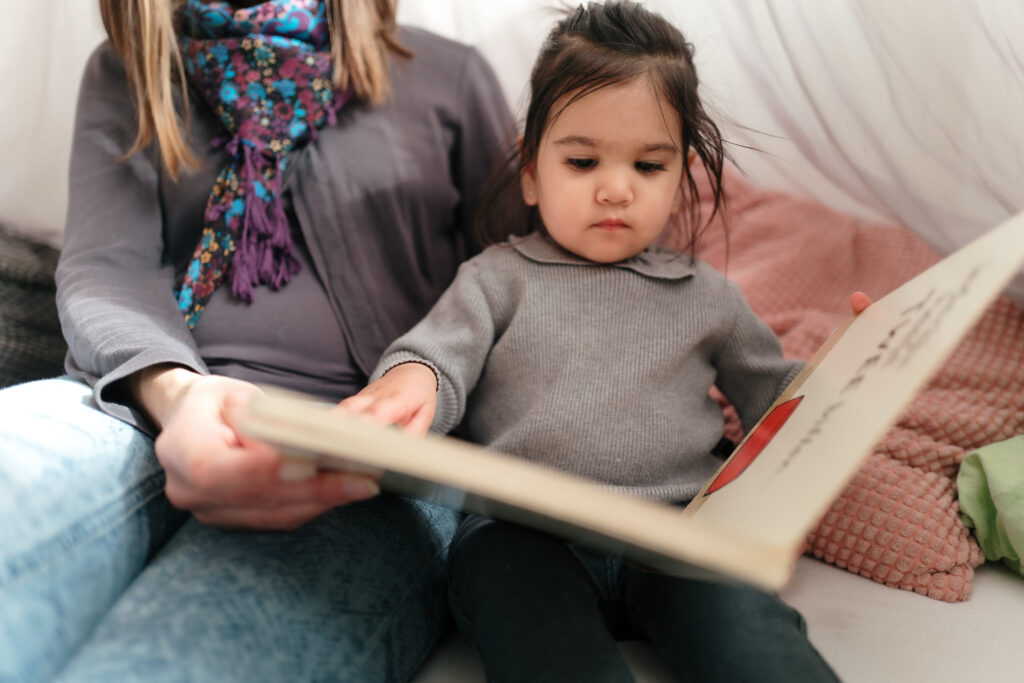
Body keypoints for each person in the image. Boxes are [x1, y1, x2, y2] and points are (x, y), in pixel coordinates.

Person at [341, 3, 857, 681]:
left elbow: (781, 404)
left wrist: (854, 366)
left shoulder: (709, 296)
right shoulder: (496, 279)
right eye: (583, 161)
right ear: (531, 170)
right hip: (522, 535)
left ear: (682, 179)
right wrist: (410, 384)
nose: (616, 189)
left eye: (649, 166)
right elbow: (437, 360)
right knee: (541, 641)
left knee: (762, 651)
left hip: (678, 532)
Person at [0, 0, 512, 680]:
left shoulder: (448, 77)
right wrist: (178, 395)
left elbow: (527, 282)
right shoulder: (133, 71)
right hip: (134, 405)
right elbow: (104, 264)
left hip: (367, 465)